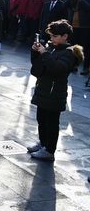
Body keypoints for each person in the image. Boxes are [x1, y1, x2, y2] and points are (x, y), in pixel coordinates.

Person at [28, 19, 83, 161]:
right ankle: (43, 143)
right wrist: (35, 52)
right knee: (41, 119)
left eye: (55, 36)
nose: (51, 39)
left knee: (52, 123)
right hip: (43, 89)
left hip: (54, 93)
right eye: (51, 36)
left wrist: (45, 53)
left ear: (65, 36)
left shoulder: (69, 53)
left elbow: (57, 69)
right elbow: (37, 68)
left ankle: (49, 150)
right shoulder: (51, 48)